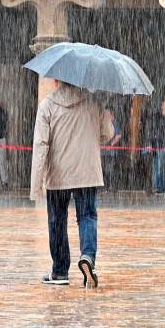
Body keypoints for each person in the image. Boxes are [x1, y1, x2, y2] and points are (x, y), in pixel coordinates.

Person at [30, 80, 114, 289]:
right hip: (87, 171)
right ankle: (87, 256)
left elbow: (41, 144)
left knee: (57, 220)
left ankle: (60, 271)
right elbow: (108, 133)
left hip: (58, 173)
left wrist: (36, 183)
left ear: (57, 80)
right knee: (87, 216)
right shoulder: (94, 102)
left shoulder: (48, 105)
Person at [101, 109, 122, 192]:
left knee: (110, 170)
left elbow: (119, 135)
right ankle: (104, 187)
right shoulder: (103, 123)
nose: (106, 115)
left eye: (107, 114)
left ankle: (111, 187)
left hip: (110, 153)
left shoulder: (114, 124)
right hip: (102, 152)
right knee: (103, 170)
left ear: (111, 115)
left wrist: (111, 144)